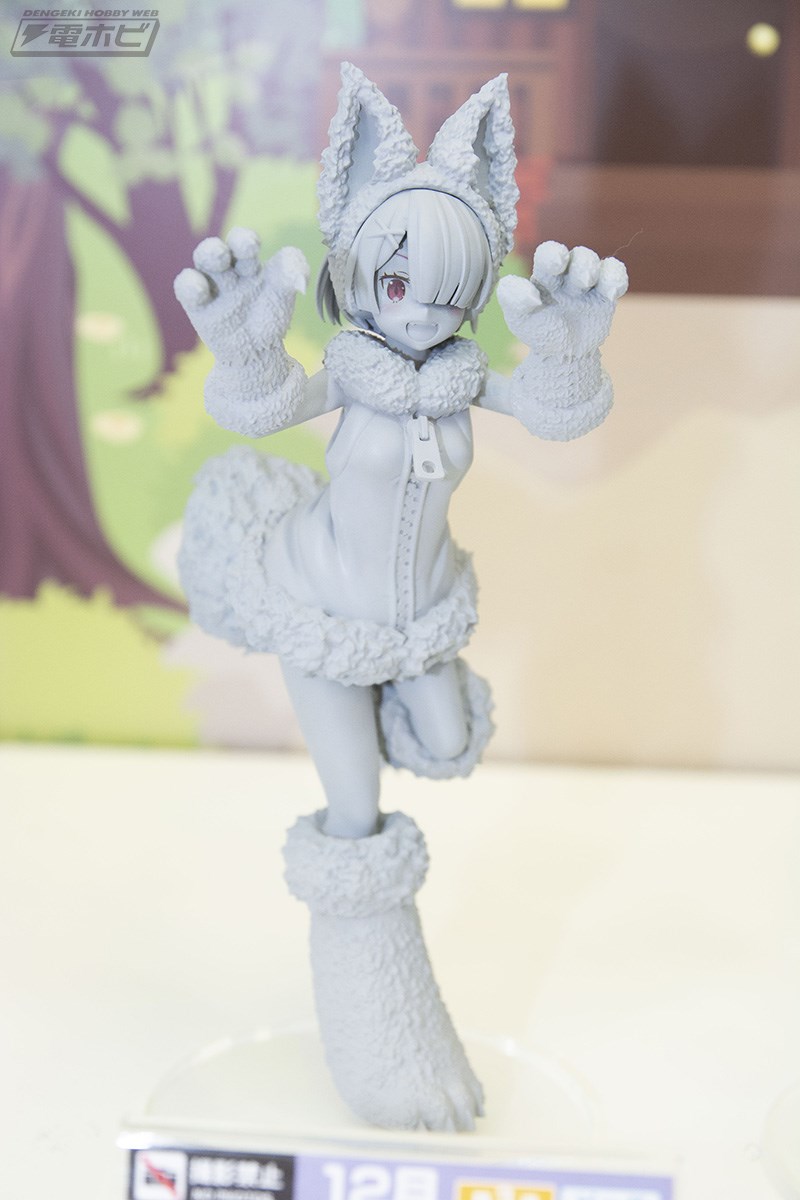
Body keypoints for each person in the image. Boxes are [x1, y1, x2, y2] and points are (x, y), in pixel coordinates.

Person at [175, 63, 627, 1134]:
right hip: (324, 616)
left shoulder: (462, 380)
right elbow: (268, 406)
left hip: (421, 618)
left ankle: (390, 719)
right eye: (395, 283)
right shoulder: (352, 374)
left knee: (451, 740)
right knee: (356, 814)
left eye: (450, 291)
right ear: (358, 275)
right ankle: (380, 1032)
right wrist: (245, 346)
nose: (422, 309)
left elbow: (551, 412)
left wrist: (568, 358)